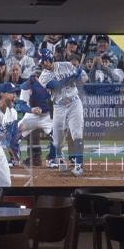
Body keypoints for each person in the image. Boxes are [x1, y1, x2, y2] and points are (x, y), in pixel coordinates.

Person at [37, 48, 87, 177]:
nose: (44, 64)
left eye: (45, 61)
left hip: (74, 103)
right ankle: (59, 156)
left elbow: (81, 79)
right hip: (59, 106)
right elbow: (57, 86)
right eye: (42, 62)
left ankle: (79, 166)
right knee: (58, 141)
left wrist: (78, 74)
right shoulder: (43, 76)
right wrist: (72, 75)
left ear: (51, 59)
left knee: (77, 133)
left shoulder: (66, 65)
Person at [16, 72, 57, 167]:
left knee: (57, 134)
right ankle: (14, 159)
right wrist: (31, 110)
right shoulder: (29, 84)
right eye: (38, 76)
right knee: (14, 133)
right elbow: (22, 105)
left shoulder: (52, 84)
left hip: (47, 116)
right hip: (31, 116)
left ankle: (51, 159)